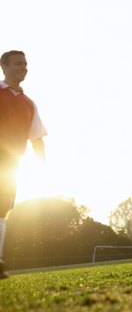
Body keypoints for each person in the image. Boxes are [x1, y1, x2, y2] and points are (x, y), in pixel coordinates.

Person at [0, 50, 47, 279]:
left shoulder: (29, 104)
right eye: (19, 63)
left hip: (11, 165)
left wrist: (42, 166)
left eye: (26, 64)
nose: (24, 67)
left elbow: (36, 137)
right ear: (4, 67)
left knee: (1, 211)